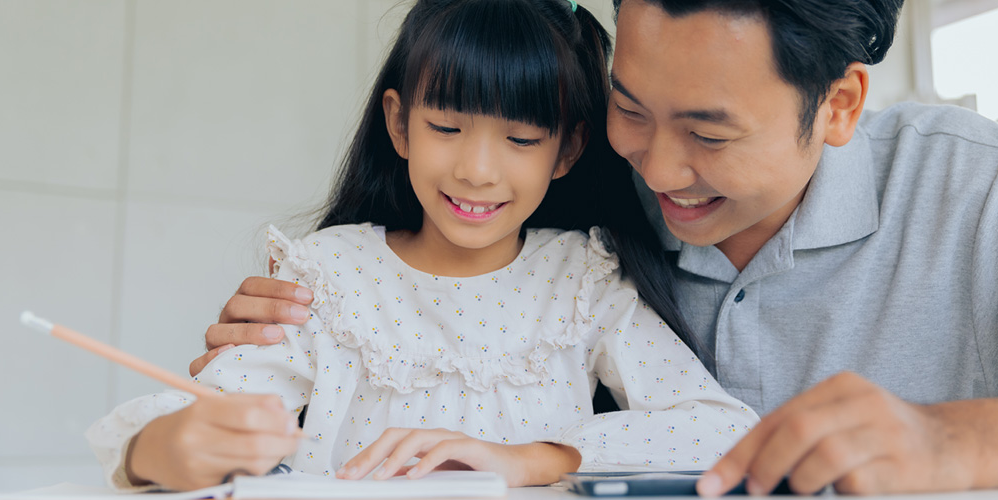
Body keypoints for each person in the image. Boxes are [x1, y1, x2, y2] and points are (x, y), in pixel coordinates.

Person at [204, 0, 998, 495]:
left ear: (838, 106)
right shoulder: (576, 172)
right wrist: (303, 331)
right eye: (629, 105)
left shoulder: (988, 190)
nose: (658, 166)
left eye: (709, 134)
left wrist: (955, 444)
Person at [86, 0, 759, 492]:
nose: (477, 171)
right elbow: (184, 417)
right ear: (400, 125)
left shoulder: (582, 279)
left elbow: (717, 429)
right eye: (446, 127)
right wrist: (163, 447)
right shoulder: (331, 274)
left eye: (521, 140)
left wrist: (534, 457)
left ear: (567, 150)